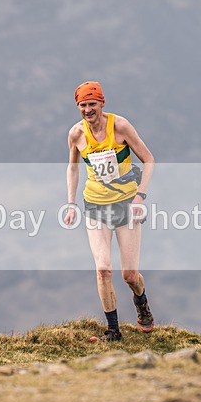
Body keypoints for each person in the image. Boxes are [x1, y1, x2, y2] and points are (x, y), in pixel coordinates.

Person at [64, 81, 155, 341]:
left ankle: (141, 303)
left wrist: (140, 196)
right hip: (95, 207)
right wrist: (71, 204)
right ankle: (113, 331)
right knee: (103, 269)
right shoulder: (76, 134)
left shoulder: (121, 126)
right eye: (83, 105)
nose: (88, 109)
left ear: (102, 104)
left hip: (127, 205)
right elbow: (72, 168)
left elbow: (148, 160)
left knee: (129, 275)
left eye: (92, 104)